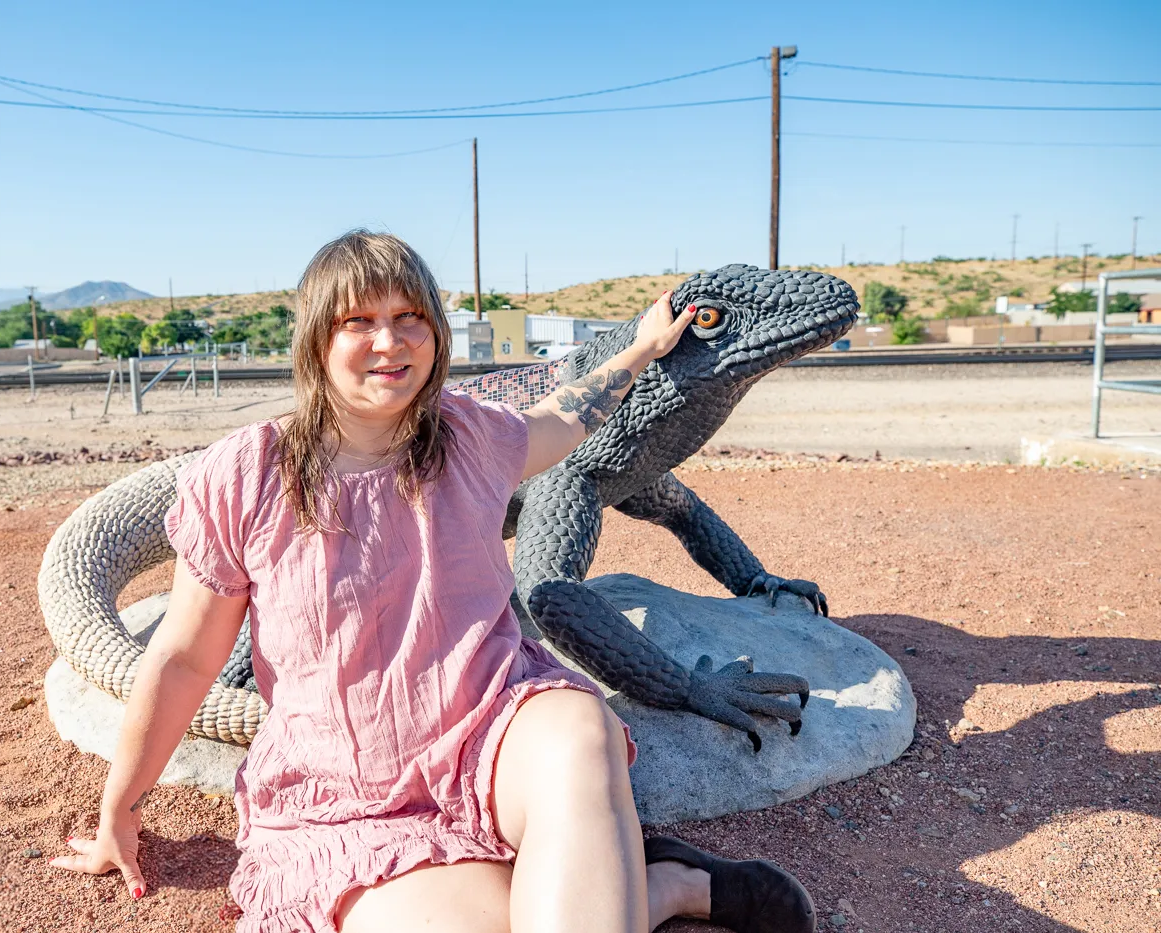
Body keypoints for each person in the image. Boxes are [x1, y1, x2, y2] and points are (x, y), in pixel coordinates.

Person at [50, 231, 815, 933]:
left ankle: (605, 860)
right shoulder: (246, 476)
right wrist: (122, 804)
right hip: (343, 793)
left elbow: (567, 418)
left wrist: (644, 347)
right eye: (359, 321)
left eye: (411, 316)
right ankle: (669, 885)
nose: (389, 340)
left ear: (436, 334)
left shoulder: (472, 438)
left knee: (577, 731)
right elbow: (184, 659)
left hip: (490, 735)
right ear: (317, 339)